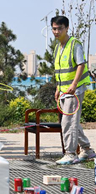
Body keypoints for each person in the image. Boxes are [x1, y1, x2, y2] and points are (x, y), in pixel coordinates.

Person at [51, 16, 96, 164]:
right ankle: (87, 150)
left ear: (67, 28)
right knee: (72, 122)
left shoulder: (74, 44)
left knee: (68, 122)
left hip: (74, 90)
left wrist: (75, 84)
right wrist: (58, 87)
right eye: (54, 28)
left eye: (59, 28)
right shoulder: (58, 47)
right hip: (64, 90)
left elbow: (81, 64)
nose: (56, 32)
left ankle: (70, 154)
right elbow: (59, 70)